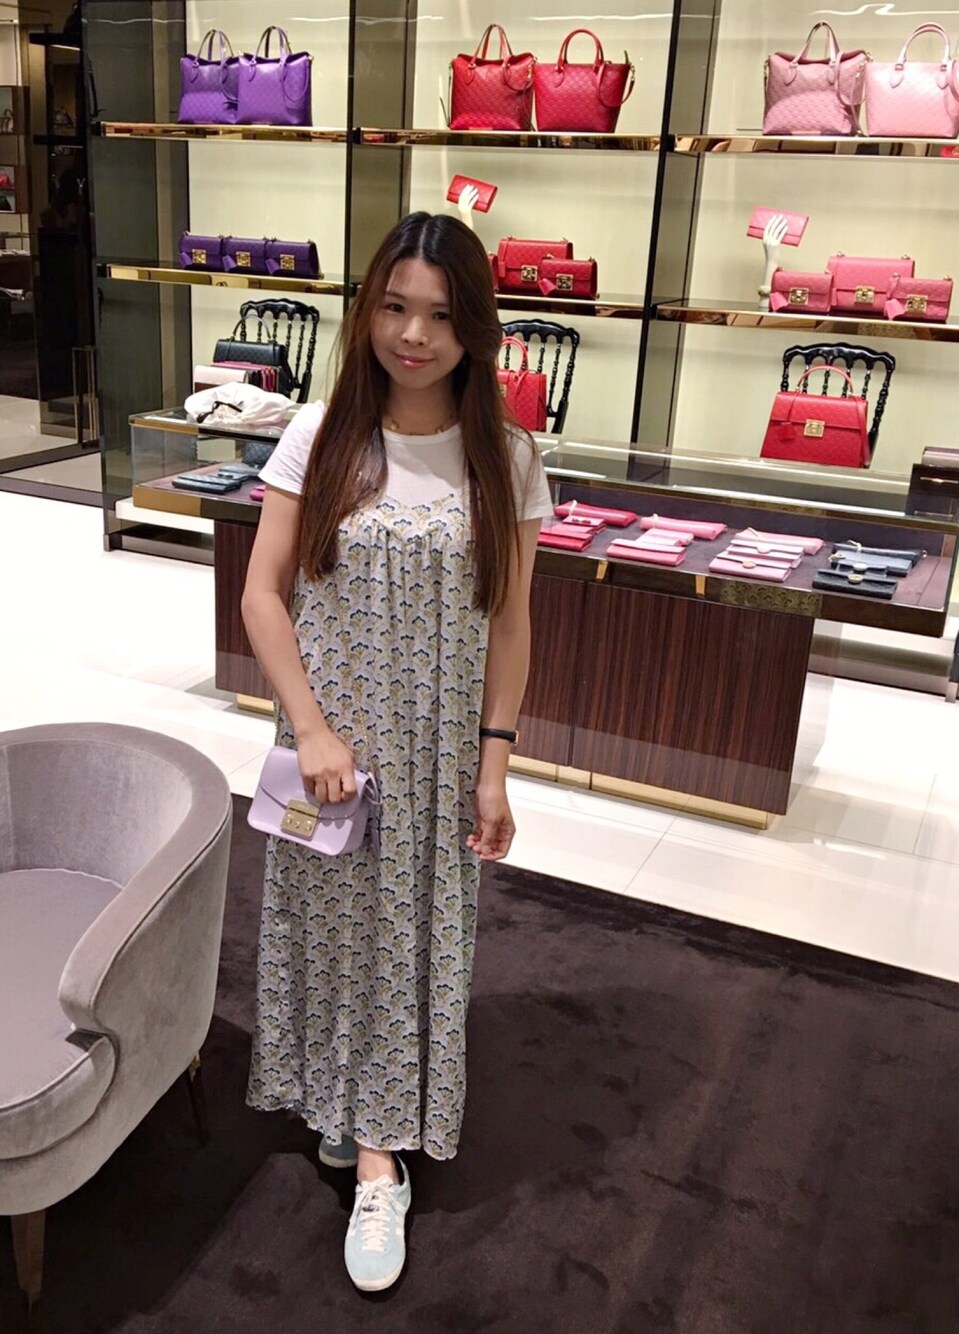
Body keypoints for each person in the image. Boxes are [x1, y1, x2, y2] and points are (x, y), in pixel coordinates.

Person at [241, 211, 551, 1293]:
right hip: (329, 742)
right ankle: (346, 1101)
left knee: (412, 936)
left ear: (475, 330)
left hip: (438, 753)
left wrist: (495, 763)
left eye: (441, 316)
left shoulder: (506, 457)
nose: (413, 336)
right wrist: (311, 727)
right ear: (367, 308)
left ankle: (381, 1159)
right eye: (395, 307)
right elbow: (264, 595)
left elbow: (509, 622)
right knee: (328, 926)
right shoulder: (320, 434)